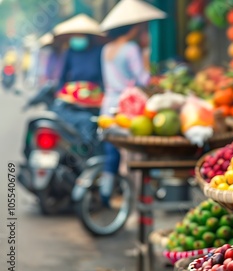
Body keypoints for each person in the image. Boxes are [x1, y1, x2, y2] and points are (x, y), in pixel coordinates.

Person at [98, 0, 166, 205]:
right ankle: (140, 197)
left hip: (108, 104)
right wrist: (146, 57)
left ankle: (105, 192)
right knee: (135, 153)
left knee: (112, 151)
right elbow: (143, 79)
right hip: (128, 106)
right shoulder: (130, 49)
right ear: (135, 28)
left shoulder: (107, 48)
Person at [50, 14, 105, 147]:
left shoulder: (98, 52)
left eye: (81, 35)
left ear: (88, 36)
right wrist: (60, 93)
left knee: (90, 122)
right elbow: (62, 78)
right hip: (72, 98)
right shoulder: (70, 52)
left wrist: (101, 95)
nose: (77, 38)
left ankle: (88, 147)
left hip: (93, 101)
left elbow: (103, 78)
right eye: (76, 35)